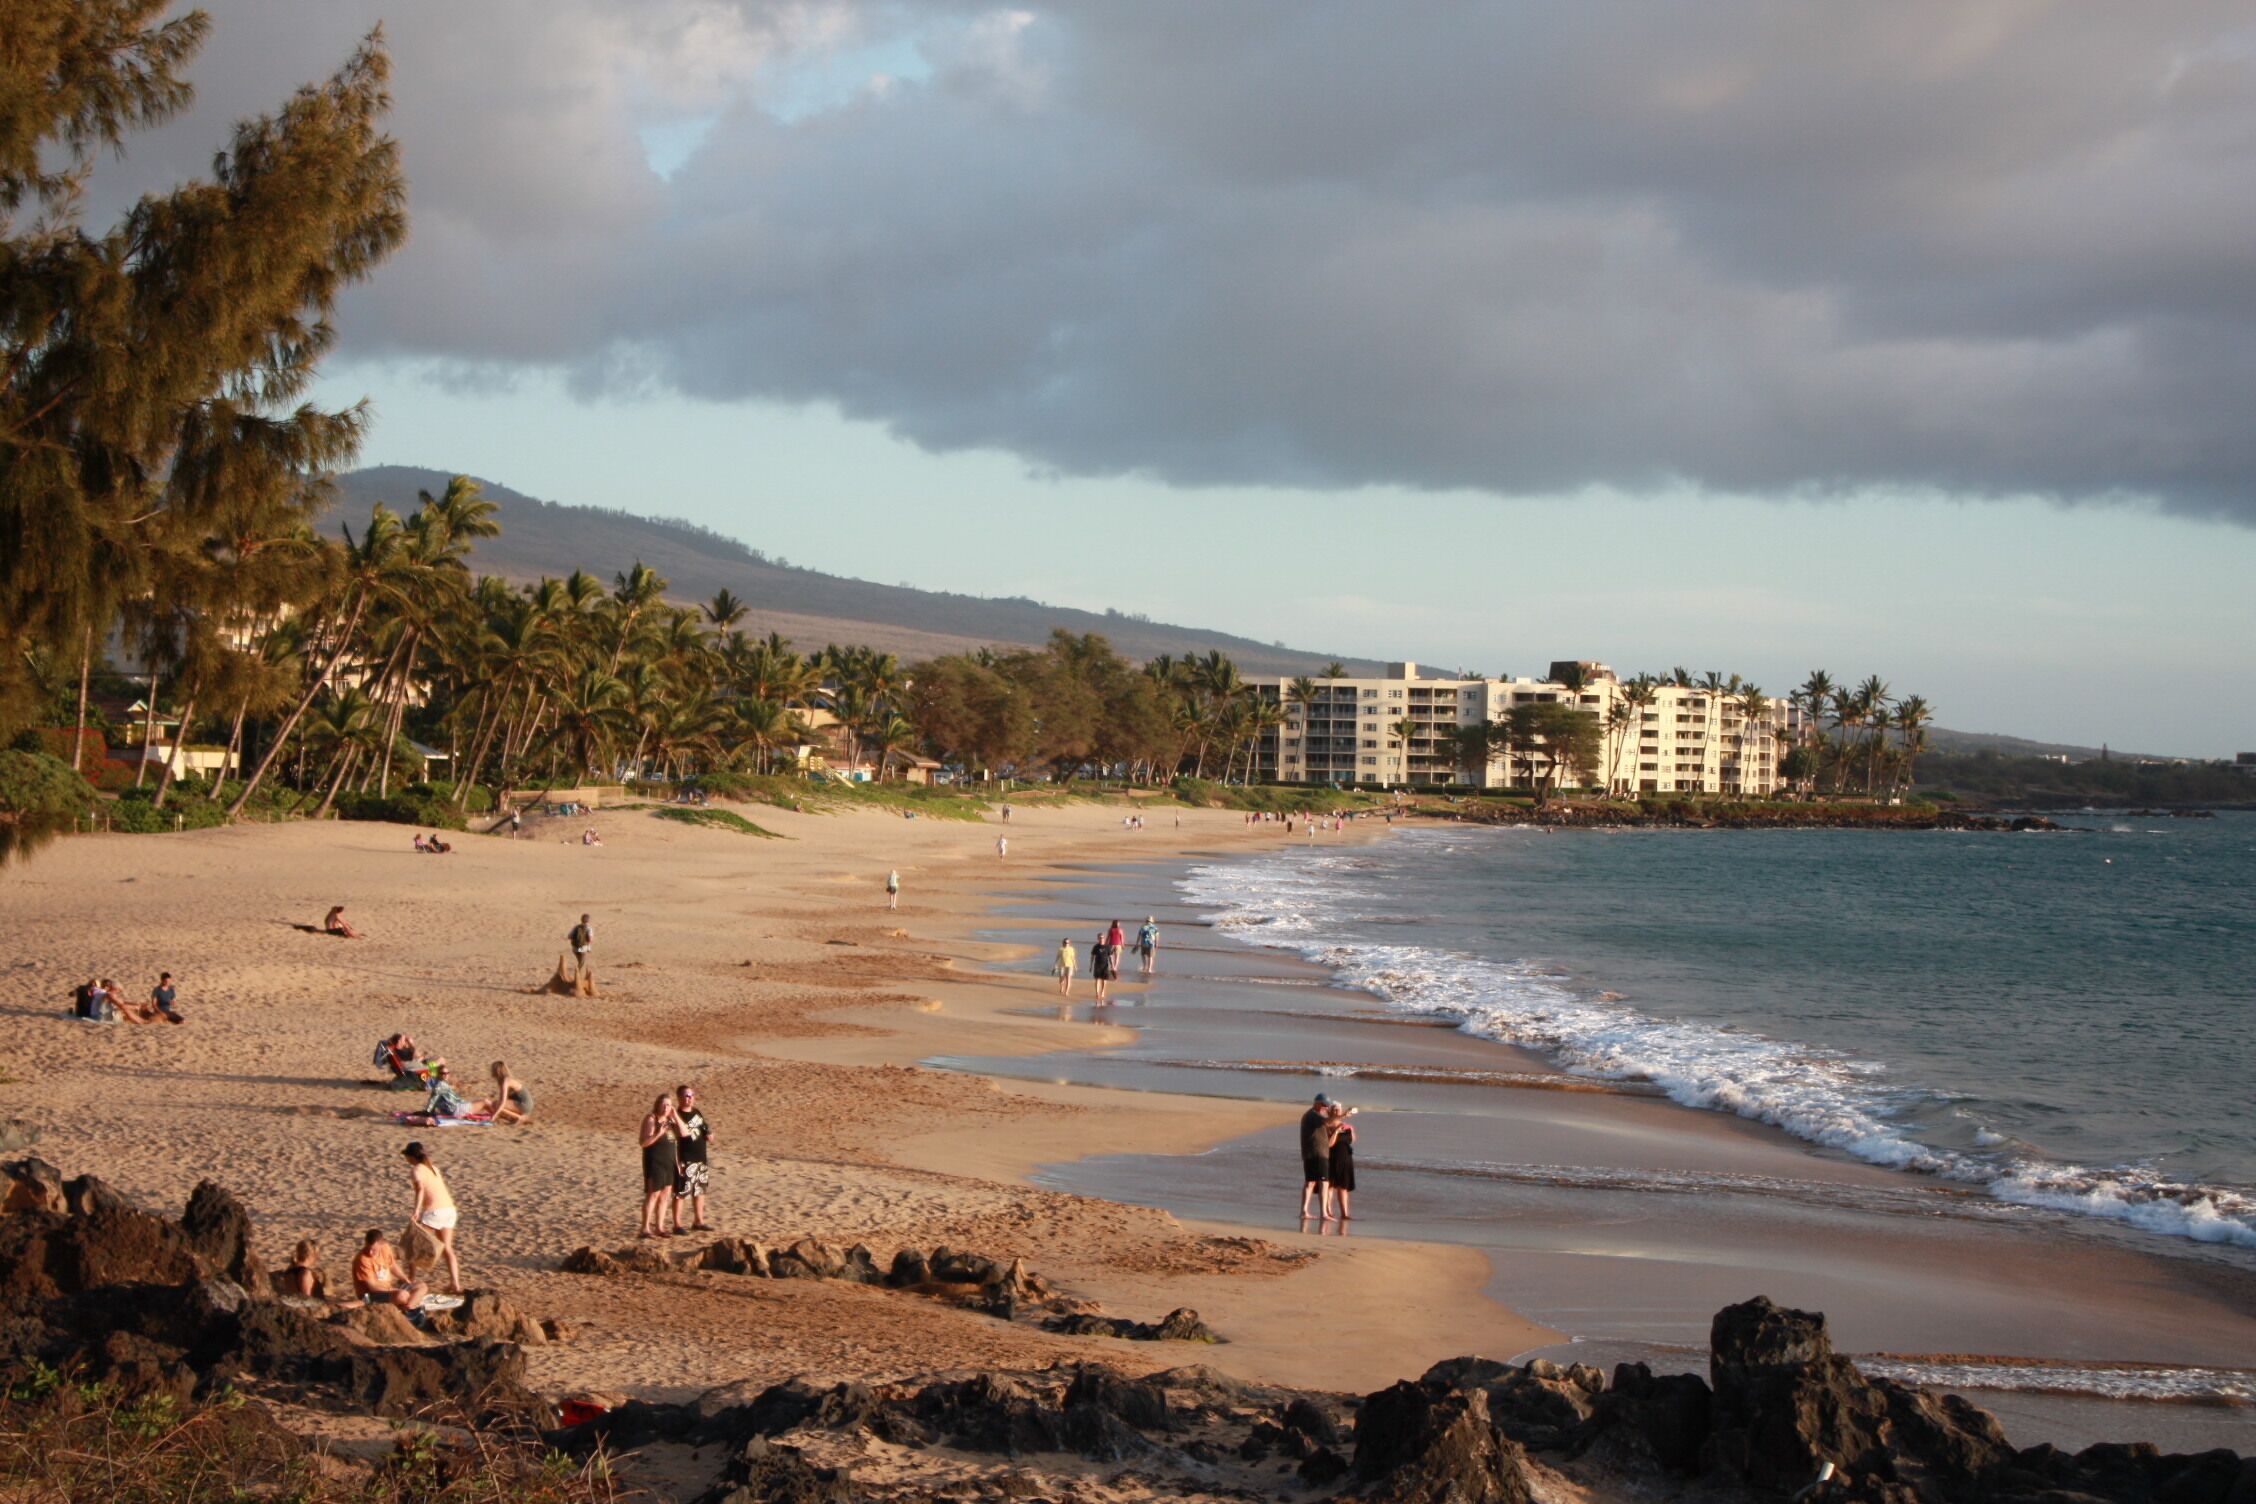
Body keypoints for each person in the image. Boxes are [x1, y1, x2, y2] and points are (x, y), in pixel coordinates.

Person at [402, 1141, 461, 1293]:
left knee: (414, 1244)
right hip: (449, 1210)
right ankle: (455, 1284)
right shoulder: (433, 1168)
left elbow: (420, 1190)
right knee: (447, 1248)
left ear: (411, 1157)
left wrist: (416, 1210)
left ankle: (411, 1280)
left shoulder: (417, 1170)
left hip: (435, 1212)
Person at [351, 1227, 428, 1311]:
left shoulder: (385, 1248)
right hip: (370, 1294)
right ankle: (405, 1306)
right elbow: (372, 1287)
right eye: (368, 1248)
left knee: (421, 1286)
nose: (370, 1253)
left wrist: (405, 1278)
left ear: (381, 1243)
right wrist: (393, 1290)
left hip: (388, 1288)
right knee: (402, 1295)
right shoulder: (362, 1259)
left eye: (373, 1250)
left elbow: (392, 1265)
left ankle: (408, 1307)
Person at [669, 1084, 712, 1234]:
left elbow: (704, 1127)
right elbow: (679, 1135)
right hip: (685, 1158)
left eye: (691, 1095)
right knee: (681, 1192)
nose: (689, 1099)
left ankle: (698, 1221)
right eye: (686, 1096)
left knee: (699, 1191)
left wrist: (709, 1134)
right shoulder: (676, 1115)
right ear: (680, 1098)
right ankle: (677, 1224)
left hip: (701, 1157)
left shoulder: (697, 1112)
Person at [640, 1094, 679, 1238]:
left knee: (665, 1195)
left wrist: (677, 1162)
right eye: (663, 1104)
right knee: (653, 1194)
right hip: (655, 1162)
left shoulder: (670, 1121)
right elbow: (644, 1143)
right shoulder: (651, 1119)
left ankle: (660, 1227)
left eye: (669, 1105)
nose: (666, 1107)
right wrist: (658, 1133)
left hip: (669, 1162)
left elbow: (676, 1141)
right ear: (657, 1105)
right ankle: (645, 1228)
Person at [1299, 1092, 1334, 1219]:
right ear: (1317, 1104)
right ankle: (1323, 1213)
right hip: (1317, 1152)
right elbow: (1328, 1122)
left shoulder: (1312, 1115)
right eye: (1324, 1105)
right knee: (1323, 1182)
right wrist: (1341, 1115)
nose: (1326, 1108)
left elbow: (1328, 1125)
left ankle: (1304, 1211)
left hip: (1312, 1153)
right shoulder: (1313, 1115)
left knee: (1311, 1182)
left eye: (1327, 1106)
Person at [1325, 1103, 1358, 1221]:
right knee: (1329, 1187)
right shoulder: (1327, 1125)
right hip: (1331, 1158)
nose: (1336, 1111)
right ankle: (1328, 1211)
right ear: (1330, 1111)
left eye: (1338, 1109)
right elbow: (1329, 1144)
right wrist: (1336, 1132)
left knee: (1343, 1187)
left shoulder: (1347, 1126)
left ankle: (1345, 1213)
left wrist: (1348, 1130)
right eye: (1334, 1109)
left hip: (1345, 1159)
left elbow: (1352, 1140)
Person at [1090, 928, 1116, 1003]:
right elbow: (1092, 956)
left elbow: (1110, 956)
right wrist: (1091, 965)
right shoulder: (1096, 947)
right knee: (1097, 980)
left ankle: (1103, 991)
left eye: (1102, 938)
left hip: (1105, 965)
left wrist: (1113, 965)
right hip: (1097, 965)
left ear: (1104, 939)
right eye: (1100, 938)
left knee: (1104, 980)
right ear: (1098, 938)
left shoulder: (1107, 947)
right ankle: (1097, 993)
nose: (1101, 939)